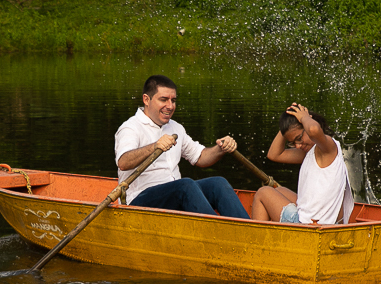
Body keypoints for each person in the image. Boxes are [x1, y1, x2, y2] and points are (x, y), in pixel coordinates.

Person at [114, 75, 250, 218]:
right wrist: (154, 146)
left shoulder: (175, 127)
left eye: (173, 101)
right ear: (146, 100)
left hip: (176, 193)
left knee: (218, 183)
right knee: (185, 185)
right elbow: (123, 162)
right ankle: (216, 232)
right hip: (138, 200)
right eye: (163, 100)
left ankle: (248, 231)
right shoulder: (130, 127)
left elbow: (200, 157)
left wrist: (221, 149)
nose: (170, 106)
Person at [250, 102, 353, 225]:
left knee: (263, 192)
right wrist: (287, 123)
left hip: (311, 226)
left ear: (307, 124)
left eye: (299, 138)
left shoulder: (327, 149)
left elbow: (314, 130)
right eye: (292, 143)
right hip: (314, 221)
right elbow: (274, 154)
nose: (298, 146)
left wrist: (304, 117)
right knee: (280, 190)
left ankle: (258, 242)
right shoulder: (309, 152)